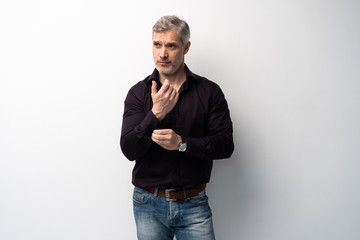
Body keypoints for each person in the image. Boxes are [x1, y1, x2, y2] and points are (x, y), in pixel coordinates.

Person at [120, 15, 234, 240]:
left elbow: (225, 145)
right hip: (147, 204)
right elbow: (128, 150)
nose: (162, 54)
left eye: (171, 45)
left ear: (186, 47)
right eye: (157, 44)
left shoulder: (209, 92)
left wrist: (182, 144)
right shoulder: (137, 93)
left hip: (193, 203)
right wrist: (156, 114)